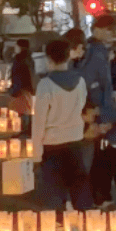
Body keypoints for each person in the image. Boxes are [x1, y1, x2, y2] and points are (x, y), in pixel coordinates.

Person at [75, 15, 116, 208]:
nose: (113, 33)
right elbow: (90, 83)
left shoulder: (100, 51)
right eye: (109, 29)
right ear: (97, 30)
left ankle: (102, 196)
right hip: (102, 114)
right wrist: (99, 114)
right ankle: (101, 197)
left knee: (103, 158)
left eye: (115, 30)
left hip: (104, 111)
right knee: (108, 156)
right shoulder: (95, 53)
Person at [31, 38, 92, 209]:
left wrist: (36, 153)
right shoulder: (80, 82)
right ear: (68, 57)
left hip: (52, 143)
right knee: (78, 183)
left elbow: (39, 121)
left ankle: (58, 224)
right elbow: (81, 107)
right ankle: (84, 220)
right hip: (75, 140)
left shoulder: (45, 84)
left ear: (48, 59)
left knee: (54, 187)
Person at [8, 39, 36, 138]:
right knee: (26, 110)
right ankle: (27, 130)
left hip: (21, 87)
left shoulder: (20, 59)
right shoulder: (29, 58)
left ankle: (23, 131)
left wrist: (15, 89)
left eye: (16, 45)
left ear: (20, 47)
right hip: (28, 88)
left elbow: (18, 75)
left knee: (21, 111)